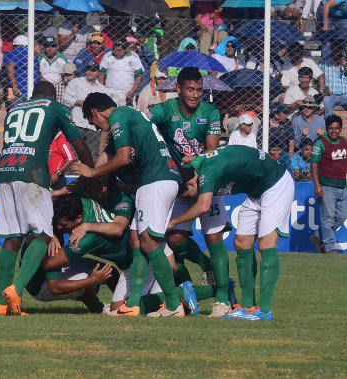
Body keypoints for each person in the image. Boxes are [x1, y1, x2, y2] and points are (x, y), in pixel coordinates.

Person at [71, 92, 184, 318]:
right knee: (136, 239)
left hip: (156, 181)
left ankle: (173, 302)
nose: (103, 129)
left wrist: (91, 172)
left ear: (95, 112)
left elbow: (122, 158)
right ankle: (132, 304)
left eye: (96, 124)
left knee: (150, 244)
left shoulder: (119, 115)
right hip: (160, 179)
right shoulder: (132, 116)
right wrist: (72, 187)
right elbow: (109, 156)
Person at [0, 81, 93, 316]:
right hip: (33, 172)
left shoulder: (15, 108)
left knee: (13, 236)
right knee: (43, 235)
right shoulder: (55, 107)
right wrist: (92, 169)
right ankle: (16, 291)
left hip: (6, 170)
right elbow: (78, 143)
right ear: (52, 96)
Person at [173, 145, 296, 320]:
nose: (190, 198)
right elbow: (203, 158)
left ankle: (265, 310)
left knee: (266, 243)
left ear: (192, 182)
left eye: (189, 194)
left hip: (276, 184)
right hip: (256, 191)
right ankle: (247, 307)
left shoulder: (207, 173)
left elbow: (203, 206)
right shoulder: (199, 165)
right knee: (241, 243)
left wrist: (174, 221)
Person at [150, 67, 233, 317]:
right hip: (181, 184)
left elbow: (211, 150)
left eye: (199, 90)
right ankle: (205, 267)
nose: (196, 95)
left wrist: (196, 161)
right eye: (190, 89)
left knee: (214, 238)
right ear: (178, 89)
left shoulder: (211, 112)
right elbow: (144, 125)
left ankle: (222, 299)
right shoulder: (165, 109)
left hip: (207, 179)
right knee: (174, 238)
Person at [310, 115, 347, 255]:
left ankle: (319, 236)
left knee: (342, 216)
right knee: (327, 218)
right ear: (326, 129)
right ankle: (329, 248)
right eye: (331, 128)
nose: (334, 131)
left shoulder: (344, 142)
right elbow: (314, 164)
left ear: (340, 129)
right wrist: (317, 186)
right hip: (326, 186)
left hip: (342, 186)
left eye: (337, 128)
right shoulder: (320, 143)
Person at [62, 60, 108, 160]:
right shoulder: (76, 82)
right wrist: (76, 102)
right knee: (73, 153)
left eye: (93, 70)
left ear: (98, 73)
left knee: (91, 155)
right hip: (77, 123)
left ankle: (89, 174)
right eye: (88, 70)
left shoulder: (103, 89)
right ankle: (71, 174)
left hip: (94, 127)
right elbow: (66, 98)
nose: (90, 72)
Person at [99, 38, 144, 107]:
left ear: (126, 49)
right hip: (110, 94)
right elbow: (101, 74)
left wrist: (132, 91)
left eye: (119, 50)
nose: (115, 52)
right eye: (114, 49)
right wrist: (101, 91)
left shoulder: (134, 57)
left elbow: (140, 76)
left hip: (127, 94)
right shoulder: (108, 56)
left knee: (127, 116)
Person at [2, 35, 42, 109]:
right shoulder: (23, 51)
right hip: (20, 93)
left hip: (21, 92)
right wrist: (15, 87)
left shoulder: (9, 54)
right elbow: (9, 67)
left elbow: (5, 75)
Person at [320, 40, 347, 118]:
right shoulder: (324, 61)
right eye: (334, 47)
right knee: (326, 100)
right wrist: (325, 90)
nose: (337, 50)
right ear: (331, 48)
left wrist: (345, 65)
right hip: (330, 95)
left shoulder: (345, 61)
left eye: (339, 47)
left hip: (345, 95)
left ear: (342, 49)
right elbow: (318, 78)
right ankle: (330, 122)